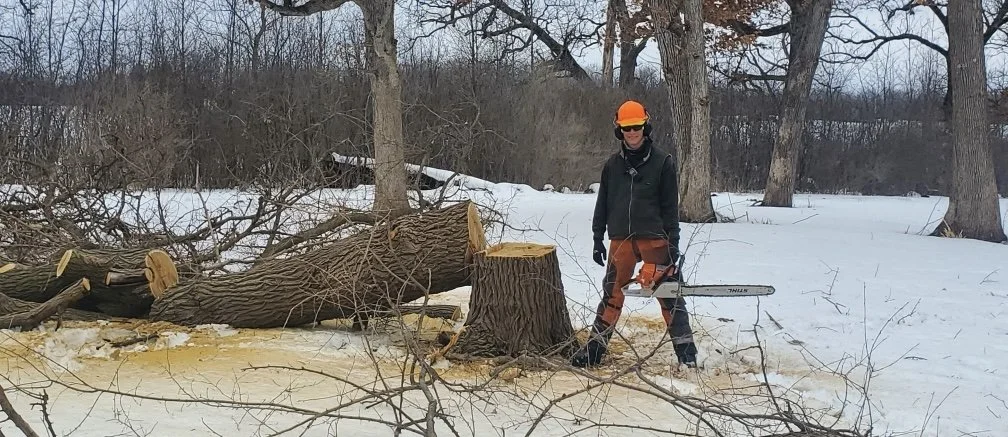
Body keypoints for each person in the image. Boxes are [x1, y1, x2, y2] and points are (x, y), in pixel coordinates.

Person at [571, 100, 698, 368]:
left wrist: (673, 242)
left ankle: (687, 354)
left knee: (670, 294)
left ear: (645, 127)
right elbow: (603, 203)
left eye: (636, 127)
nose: (632, 133)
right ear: (619, 130)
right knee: (612, 295)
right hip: (621, 239)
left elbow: (670, 207)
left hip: (655, 237)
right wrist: (597, 237)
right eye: (627, 128)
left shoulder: (663, 162)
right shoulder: (612, 166)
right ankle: (594, 351)